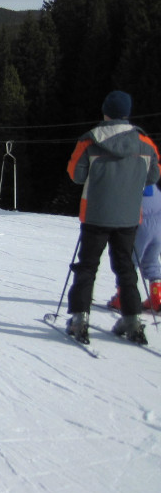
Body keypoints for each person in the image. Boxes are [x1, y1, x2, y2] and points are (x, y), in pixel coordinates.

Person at [65, 90, 160, 344]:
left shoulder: (90, 140)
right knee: (126, 268)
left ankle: (79, 318)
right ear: (127, 113)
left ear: (105, 112)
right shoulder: (146, 142)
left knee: (87, 266)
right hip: (129, 215)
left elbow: (75, 174)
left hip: (95, 213)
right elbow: (153, 177)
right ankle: (132, 320)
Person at [107, 183, 161, 312]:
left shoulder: (133, 174)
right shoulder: (155, 177)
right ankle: (156, 296)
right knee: (151, 260)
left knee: (129, 261)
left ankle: (122, 297)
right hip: (159, 224)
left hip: (140, 223)